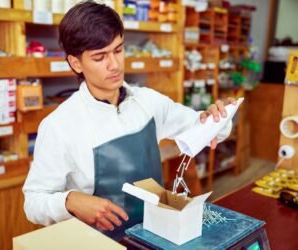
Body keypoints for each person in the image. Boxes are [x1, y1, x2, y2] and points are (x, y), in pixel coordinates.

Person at [23, 0, 236, 240]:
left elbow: (209, 130)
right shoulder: (60, 125)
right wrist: (70, 200)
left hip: (154, 235)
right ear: (76, 63)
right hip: (98, 243)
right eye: (99, 57)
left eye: (118, 50)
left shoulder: (148, 102)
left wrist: (219, 117)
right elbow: (33, 202)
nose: (114, 65)